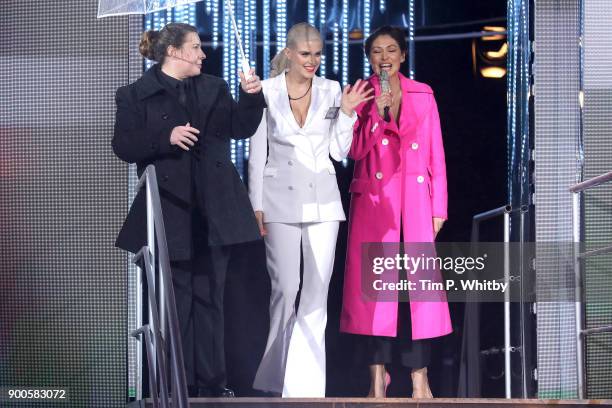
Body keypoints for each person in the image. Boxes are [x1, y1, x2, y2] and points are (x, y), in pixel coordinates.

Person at [112, 23, 266, 398]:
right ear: (174, 52)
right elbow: (124, 145)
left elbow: (240, 127)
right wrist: (166, 137)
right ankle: (172, 385)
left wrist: (251, 97)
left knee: (211, 299)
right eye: (195, 48)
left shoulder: (213, 87)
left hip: (214, 209)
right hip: (170, 211)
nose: (202, 54)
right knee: (175, 307)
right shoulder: (134, 94)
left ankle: (213, 387)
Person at [248, 23, 373, 397]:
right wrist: (255, 205)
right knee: (286, 289)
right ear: (289, 53)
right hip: (278, 200)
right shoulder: (265, 91)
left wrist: (348, 114)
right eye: (306, 54)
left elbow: (338, 151)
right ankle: (275, 377)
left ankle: (306, 387)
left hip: (323, 200)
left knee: (317, 293)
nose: (313, 61)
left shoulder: (331, 90)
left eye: (318, 53)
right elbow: (257, 155)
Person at [339, 26, 452, 398]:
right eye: (376, 51)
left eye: (390, 50)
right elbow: (353, 152)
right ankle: (377, 379)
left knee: (416, 298)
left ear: (403, 55)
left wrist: (439, 207)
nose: (383, 57)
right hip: (376, 203)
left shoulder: (423, 94)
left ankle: (420, 377)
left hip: (416, 205)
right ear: (369, 58)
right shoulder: (360, 95)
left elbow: (436, 151)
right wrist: (377, 113)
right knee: (376, 298)